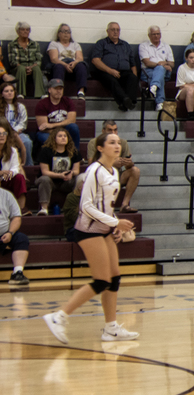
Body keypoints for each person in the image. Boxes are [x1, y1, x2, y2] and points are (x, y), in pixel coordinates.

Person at [42, 131, 138, 344]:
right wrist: (115, 222)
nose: (117, 145)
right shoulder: (94, 170)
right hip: (88, 230)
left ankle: (111, 328)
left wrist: (115, 224)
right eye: (111, 142)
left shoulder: (113, 171)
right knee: (101, 280)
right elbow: (86, 206)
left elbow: (106, 205)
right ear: (100, 148)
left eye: (118, 142)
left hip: (104, 229)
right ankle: (59, 316)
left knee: (114, 278)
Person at [86, 120, 140, 213]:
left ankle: (125, 205)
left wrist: (128, 162)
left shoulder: (122, 143)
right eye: (110, 130)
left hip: (117, 175)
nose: (113, 133)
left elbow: (128, 167)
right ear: (103, 131)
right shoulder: (94, 142)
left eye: (115, 130)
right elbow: (91, 164)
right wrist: (111, 162)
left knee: (135, 170)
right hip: (100, 175)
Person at [90, 22, 139, 111]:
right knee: (112, 81)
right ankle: (125, 101)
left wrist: (135, 77)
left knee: (133, 78)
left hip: (124, 72)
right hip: (106, 71)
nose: (115, 32)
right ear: (107, 31)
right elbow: (95, 60)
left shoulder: (125, 45)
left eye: (117, 30)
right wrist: (110, 70)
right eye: (113, 30)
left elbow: (133, 64)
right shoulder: (101, 43)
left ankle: (128, 102)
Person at [35, 128, 80, 216]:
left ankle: (77, 207)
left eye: (65, 136)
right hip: (50, 181)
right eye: (60, 136)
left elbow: (76, 170)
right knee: (44, 179)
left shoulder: (74, 151)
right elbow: (45, 172)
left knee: (81, 178)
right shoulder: (45, 151)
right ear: (53, 138)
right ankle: (44, 208)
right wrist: (60, 175)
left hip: (66, 182)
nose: (63, 138)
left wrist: (71, 173)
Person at [34, 78, 80, 151]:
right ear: (49, 90)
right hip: (48, 132)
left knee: (74, 127)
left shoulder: (68, 101)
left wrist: (53, 125)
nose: (59, 91)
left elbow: (72, 120)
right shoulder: (42, 104)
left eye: (61, 89)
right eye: (56, 88)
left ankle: (76, 154)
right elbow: (43, 127)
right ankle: (52, 159)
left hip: (64, 131)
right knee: (45, 138)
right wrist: (58, 134)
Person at [47, 24, 88, 99]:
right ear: (59, 33)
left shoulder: (75, 45)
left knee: (82, 66)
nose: (66, 33)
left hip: (73, 65)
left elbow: (80, 58)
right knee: (59, 67)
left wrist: (74, 63)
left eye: (68, 31)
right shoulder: (54, 44)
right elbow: (54, 59)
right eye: (63, 31)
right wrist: (65, 65)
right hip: (60, 64)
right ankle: (58, 92)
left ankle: (81, 92)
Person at [139, 25, 175, 110]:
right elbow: (147, 63)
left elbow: (172, 64)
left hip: (165, 72)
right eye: (154, 34)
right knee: (160, 74)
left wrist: (165, 63)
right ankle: (160, 102)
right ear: (149, 35)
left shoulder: (166, 46)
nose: (156, 36)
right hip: (147, 71)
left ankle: (153, 87)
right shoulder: (143, 46)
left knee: (160, 70)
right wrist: (161, 65)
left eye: (158, 34)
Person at [0, 187, 29, 285]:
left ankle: (17, 273)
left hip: (5, 234)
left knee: (21, 238)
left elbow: (16, 217)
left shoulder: (7, 195)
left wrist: (10, 233)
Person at [8, 21, 45, 98]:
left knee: (37, 68)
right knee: (21, 69)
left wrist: (31, 67)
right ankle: (20, 94)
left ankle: (40, 94)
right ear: (18, 32)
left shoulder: (35, 44)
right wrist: (25, 68)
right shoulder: (12, 44)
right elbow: (12, 62)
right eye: (23, 30)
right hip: (18, 68)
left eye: (27, 30)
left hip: (32, 66)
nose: (25, 31)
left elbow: (38, 60)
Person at [0, 120, 28, 212]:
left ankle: (21, 209)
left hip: (6, 178)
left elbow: (15, 167)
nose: (2, 135)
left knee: (19, 177)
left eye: (4, 133)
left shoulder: (12, 150)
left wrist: (11, 172)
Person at [1, 82, 32, 165]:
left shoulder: (21, 107)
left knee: (27, 142)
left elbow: (23, 123)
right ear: (2, 94)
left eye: (11, 90)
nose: (10, 93)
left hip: (17, 133)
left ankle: (28, 166)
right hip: (2, 133)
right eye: (6, 91)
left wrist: (14, 132)